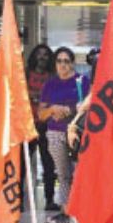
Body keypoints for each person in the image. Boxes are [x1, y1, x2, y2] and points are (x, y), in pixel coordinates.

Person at [38, 46, 89, 209]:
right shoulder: (50, 84)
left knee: (79, 172)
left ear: (72, 63)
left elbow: (90, 106)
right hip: (55, 133)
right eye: (59, 61)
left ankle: (81, 207)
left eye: (66, 61)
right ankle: (66, 209)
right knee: (63, 174)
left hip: (78, 132)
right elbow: (41, 115)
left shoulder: (82, 81)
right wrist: (53, 109)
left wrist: (70, 110)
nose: (63, 64)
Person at [26, 43, 59, 211]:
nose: (42, 57)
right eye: (39, 54)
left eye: (45, 54)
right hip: (27, 124)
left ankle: (50, 199)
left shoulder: (53, 76)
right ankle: (19, 200)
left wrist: (35, 96)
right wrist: (41, 96)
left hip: (47, 125)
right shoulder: (25, 74)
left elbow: (56, 97)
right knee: (23, 164)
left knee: (48, 164)